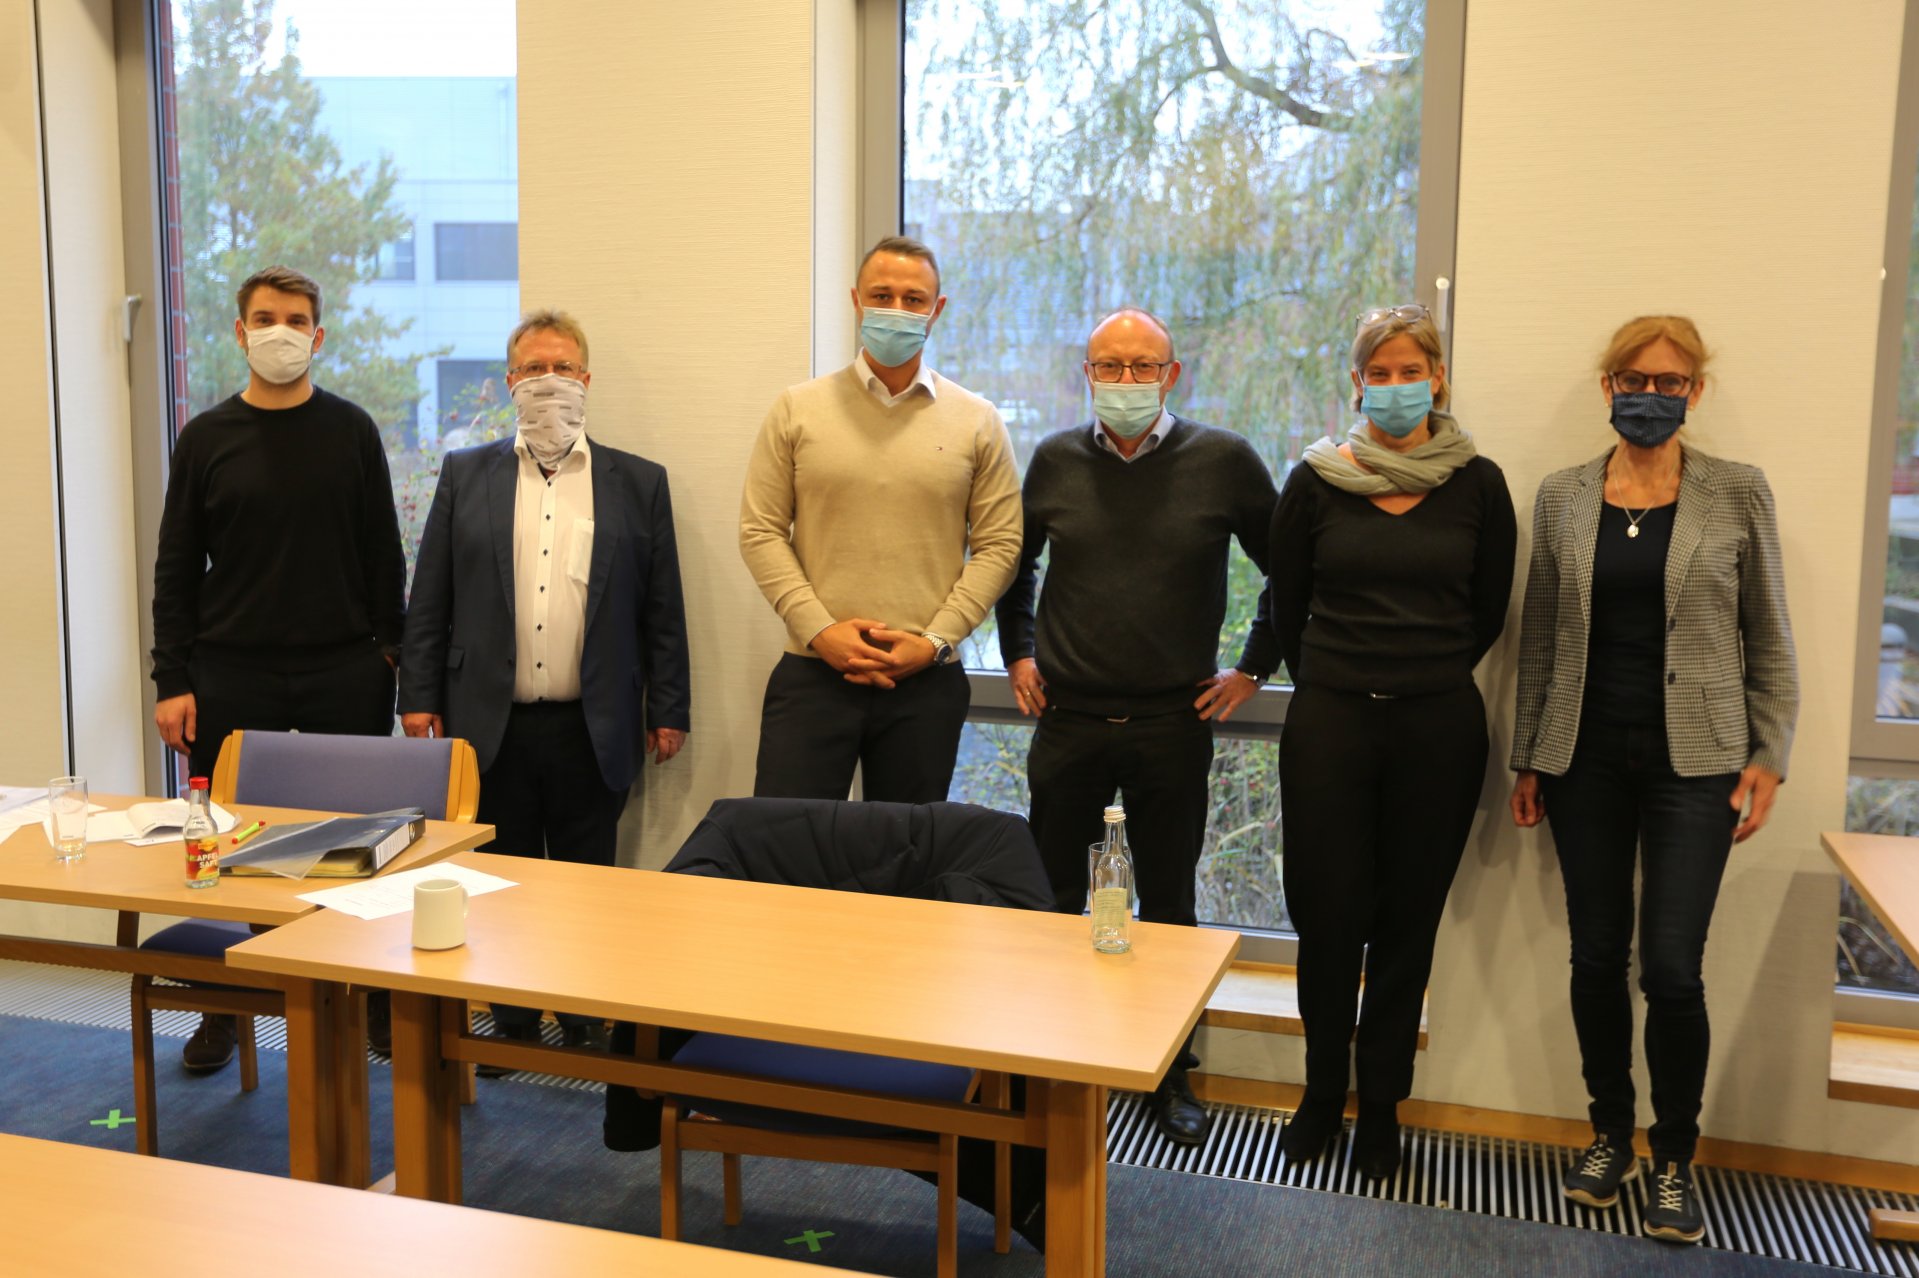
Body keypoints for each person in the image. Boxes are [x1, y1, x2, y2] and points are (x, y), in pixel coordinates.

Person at [1509, 316, 1796, 1244]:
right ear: (1606, 386)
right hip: (1582, 756)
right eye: (1634, 378)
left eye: (1670, 382)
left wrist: (1768, 754)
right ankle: (1607, 1135)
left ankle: (1673, 1155)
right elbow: (1541, 638)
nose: (1651, 393)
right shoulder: (1560, 497)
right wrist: (1528, 754)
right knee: (1595, 957)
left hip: (1697, 761)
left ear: (1694, 393)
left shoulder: (1736, 491)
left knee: (1670, 970)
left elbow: (1770, 635)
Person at [996, 307, 1278, 1145]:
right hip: (1068, 720)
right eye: (1108, 367)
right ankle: (1042, 1070)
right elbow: (1015, 568)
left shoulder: (1223, 461)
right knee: (1049, 904)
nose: (1125, 381)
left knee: (1170, 912)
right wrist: (1015, 653)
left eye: (1141, 366)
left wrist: (1253, 668)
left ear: (1172, 374)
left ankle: (1169, 1077)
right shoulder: (1052, 460)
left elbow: (1289, 573)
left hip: (1170, 723)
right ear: (1086, 373)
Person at [399, 309, 690, 1062]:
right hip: (488, 721)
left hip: (594, 722)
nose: (546, 382)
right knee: (500, 879)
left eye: (560, 368)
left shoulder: (638, 482)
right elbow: (429, 594)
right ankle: (513, 1017)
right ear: (509, 383)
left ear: (586, 382)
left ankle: (586, 1014)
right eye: (532, 369)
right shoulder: (468, 474)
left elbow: (663, 608)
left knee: (589, 879)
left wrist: (672, 708)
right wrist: (418, 698)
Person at [1269, 302, 1515, 1180]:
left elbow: (1486, 613)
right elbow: (1285, 605)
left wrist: (1417, 672)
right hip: (1330, 723)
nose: (1398, 384)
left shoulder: (1479, 484)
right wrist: (1340, 675)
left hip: (1437, 730)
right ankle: (1316, 1095)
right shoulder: (1316, 481)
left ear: (1437, 377)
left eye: (1412, 369)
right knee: (1326, 922)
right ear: (1357, 383)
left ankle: (1380, 1109)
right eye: (1381, 371)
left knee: (1406, 928)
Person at [150, 264, 405, 1074]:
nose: (280, 332)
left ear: (318, 335)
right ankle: (229, 1008)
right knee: (233, 853)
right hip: (232, 672)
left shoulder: (352, 430)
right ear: (239, 331)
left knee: (353, 846)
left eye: (295, 319)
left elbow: (382, 554)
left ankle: (367, 1004)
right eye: (265, 317)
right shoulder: (205, 439)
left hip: (344, 669)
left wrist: (392, 658)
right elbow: (176, 568)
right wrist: (171, 679)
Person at [740, 236, 1021, 802]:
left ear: (937, 310)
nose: (897, 309)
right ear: (856, 301)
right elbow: (760, 530)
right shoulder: (797, 408)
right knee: (786, 853)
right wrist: (821, 631)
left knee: (906, 863)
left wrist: (937, 641)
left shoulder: (978, 420)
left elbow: (1000, 546)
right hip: (813, 673)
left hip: (926, 681)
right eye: (882, 295)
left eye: (914, 299)